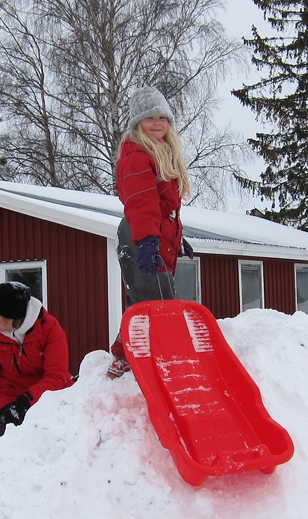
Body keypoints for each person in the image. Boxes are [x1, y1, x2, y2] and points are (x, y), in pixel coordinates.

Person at [107, 85, 194, 379]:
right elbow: (141, 203)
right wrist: (147, 241)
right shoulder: (136, 154)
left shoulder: (163, 152)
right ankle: (156, 360)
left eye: (162, 118)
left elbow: (163, 207)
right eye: (149, 118)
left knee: (145, 300)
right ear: (137, 124)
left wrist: (177, 238)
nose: (157, 123)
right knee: (158, 302)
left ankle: (123, 357)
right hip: (139, 236)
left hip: (154, 236)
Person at [0, 281, 75, 442]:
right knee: (12, 439)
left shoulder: (49, 328)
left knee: (50, 437)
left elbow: (57, 376)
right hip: (10, 395)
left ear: (12, 315)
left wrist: (25, 402)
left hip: (49, 395)